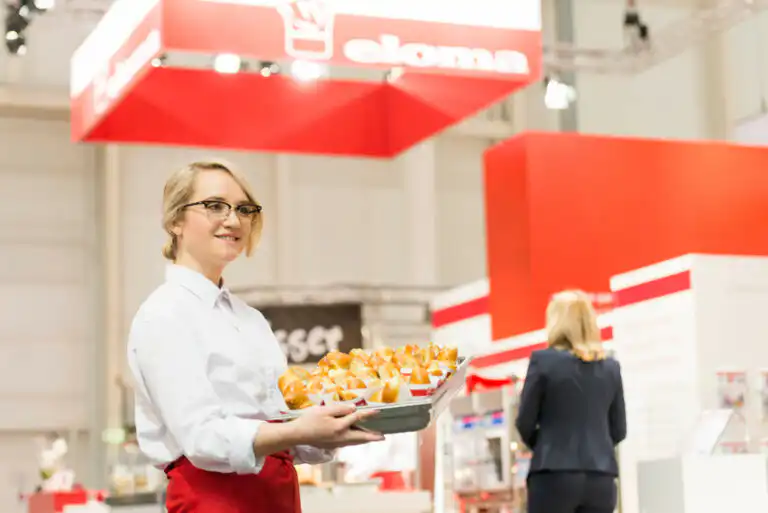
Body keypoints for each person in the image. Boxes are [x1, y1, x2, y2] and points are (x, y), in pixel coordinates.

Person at [126, 161, 384, 513]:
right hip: (214, 501)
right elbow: (202, 438)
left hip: (278, 496)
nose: (233, 220)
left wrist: (346, 419)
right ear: (175, 221)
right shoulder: (163, 315)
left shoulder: (251, 321)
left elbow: (286, 426)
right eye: (215, 205)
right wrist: (299, 433)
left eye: (244, 209)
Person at [515, 290, 627, 513]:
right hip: (601, 478)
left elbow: (524, 422)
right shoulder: (610, 368)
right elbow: (619, 430)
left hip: (553, 475)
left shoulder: (543, 362)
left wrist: (548, 443)